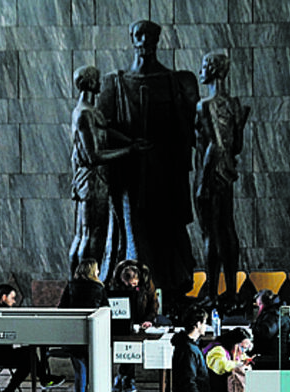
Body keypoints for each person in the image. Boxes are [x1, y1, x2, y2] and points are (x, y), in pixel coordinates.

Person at [97, 19, 199, 300]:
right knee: (134, 237)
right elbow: (100, 128)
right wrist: (130, 146)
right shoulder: (115, 83)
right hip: (130, 177)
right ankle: (135, 292)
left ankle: (170, 292)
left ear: (157, 39)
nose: (144, 41)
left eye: (150, 35)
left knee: (168, 237)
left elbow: (192, 129)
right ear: (132, 38)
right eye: (139, 35)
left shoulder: (175, 81)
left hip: (166, 176)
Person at [69, 66, 149, 280]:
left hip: (98, 180)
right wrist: (129, 150)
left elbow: (105, 130)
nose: (100, 83)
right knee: (90, 234)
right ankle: (84, 283)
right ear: (89, 83)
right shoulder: (84, 113)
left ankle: (80, 283)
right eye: (96, 79)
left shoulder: (91, 111)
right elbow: (93, 156)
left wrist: (130, 141)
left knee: (88, 233)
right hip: (92, 180)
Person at [194, 51, 250, 305]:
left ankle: (213, 294)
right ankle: (232, 292)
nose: (201, 71)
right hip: (227, 171)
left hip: (210, 171)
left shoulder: (206, 104)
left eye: (204, 67)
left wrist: (204, 183)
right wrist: (239, 125)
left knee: (211, 233)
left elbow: (215, 145)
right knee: (227, 229)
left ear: (214, 70)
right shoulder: (234, 104)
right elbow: (235, 146)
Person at [0, 284, 64, 392]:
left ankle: (43, 380)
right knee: (28, 358)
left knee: (29, 353)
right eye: (12, 298)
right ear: (4, 297)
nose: (14, 302)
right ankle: (11, 391)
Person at [58, 258, 109, 392]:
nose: (99, 272)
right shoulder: (98, 287)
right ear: (92, 271)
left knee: (80, 370)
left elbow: (62, 308)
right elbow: (105, 310)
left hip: (74, 334)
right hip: (93, 333)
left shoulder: (71, 286)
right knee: (94, 370)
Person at [108, 260, 159, 392]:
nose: (131, 287)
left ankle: (124, 378)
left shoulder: (147, 283)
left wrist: (149, 320)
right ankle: (126, 378)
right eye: (127, 284)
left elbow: (153, 303)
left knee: (131, 347)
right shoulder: (116, 282)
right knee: (126, 347)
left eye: (133, 284)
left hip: (141, 317)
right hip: (123, 320)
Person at [204, 327, 253, 392]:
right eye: (242, 347)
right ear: (233, 343)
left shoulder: (235, 352)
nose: (243, 351)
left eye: (246, 348)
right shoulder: (217, 350)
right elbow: (222, 366)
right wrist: (239, 364)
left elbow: (243, 358)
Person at [250, 289, 290, 370]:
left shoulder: (274, 314)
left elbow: (266, 332)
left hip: (273, 359)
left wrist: (252, 329)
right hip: (276, 356)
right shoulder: (275, 311)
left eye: (258, 305)